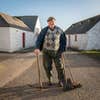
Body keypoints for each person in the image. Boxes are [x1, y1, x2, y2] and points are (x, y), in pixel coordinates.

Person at [34, 17, 68, 91]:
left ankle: (61, 80)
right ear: (48, 23)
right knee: (47, 66)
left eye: (52, 22)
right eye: (49, 22)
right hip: (46, 51)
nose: (51, 23)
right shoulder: (44, 30)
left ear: (55, 22)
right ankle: (50, 79)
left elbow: (63, 40)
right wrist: (37, 48)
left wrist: (62, 49)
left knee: (59, 66)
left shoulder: (59, 30)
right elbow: (39, 39)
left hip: (57, 51)